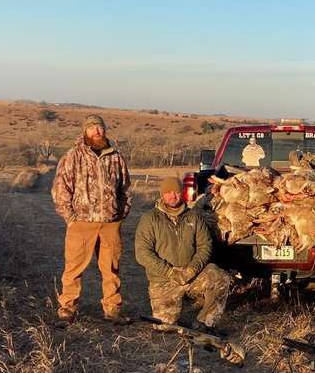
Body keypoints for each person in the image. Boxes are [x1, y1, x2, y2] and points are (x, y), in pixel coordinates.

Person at [51, 114, 132, 324]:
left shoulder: (116, 157)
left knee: (111, 269)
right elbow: (60, 190)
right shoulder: (72, 156)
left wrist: (119, 216)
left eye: (100, 127)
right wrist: (71, 219)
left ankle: (113, 309)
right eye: (92, 128)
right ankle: (68, 308)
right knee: (73, 269)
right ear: (84, 131)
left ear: (105, 130)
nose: (97, 131)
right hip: (81, 224)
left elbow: (126, 190)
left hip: (110, 224)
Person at [135, 175, 233, 329]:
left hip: (192, 274)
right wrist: (169, 272)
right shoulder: (150, 219)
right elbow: (142, 253)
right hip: (165, 280)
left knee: (220, 278)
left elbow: (205, 246)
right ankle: (172, 316)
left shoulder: (194, 216)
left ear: (182, 193)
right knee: (165, 327)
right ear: (162, 194)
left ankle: (205, 323)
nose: (172, 196)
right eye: (168, 192)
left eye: (176, 192)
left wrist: (192, 269)